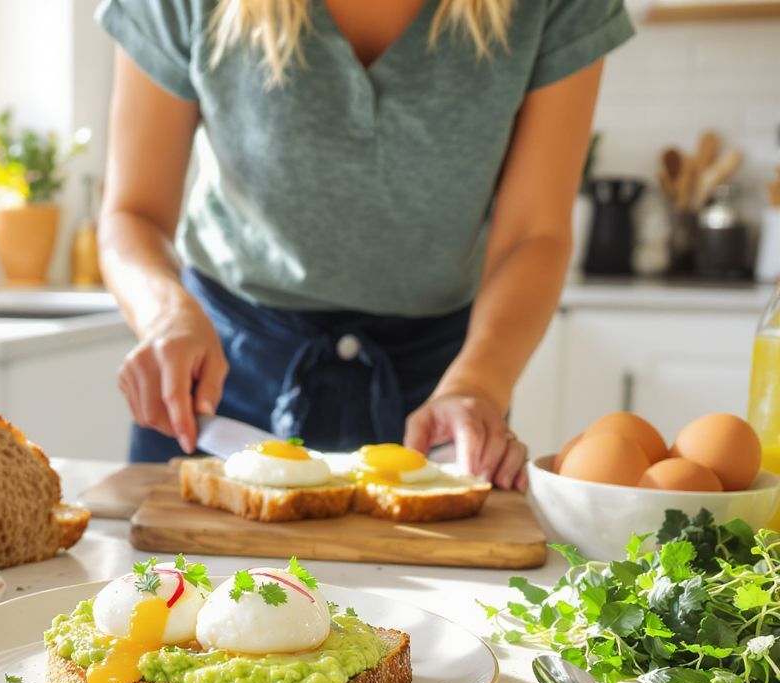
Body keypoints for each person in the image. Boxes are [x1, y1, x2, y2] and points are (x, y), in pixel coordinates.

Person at [96, 0, 633, 490]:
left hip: (443, 384)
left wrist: (478, 386)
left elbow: (534, 234)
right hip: (219, 379)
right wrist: (166, 317)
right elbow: (132, 213)